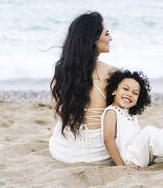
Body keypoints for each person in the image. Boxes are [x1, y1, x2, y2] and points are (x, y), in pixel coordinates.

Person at [49, 11, 116, 164]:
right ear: (93, 40)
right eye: (107, 33)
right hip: (97, 154)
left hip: (62, 150)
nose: (111, 38)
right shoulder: (111, 73)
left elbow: (58, 114)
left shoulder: (61, 70)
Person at [101, 69, 163, 168]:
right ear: (114, 90)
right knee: (149, 131)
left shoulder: (129, 114)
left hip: (142, 154)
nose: (129, 94)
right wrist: (121, 165)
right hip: (129, 158)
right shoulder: (112, 112)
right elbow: (108, 139)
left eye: (135, 93)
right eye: (125, 89)